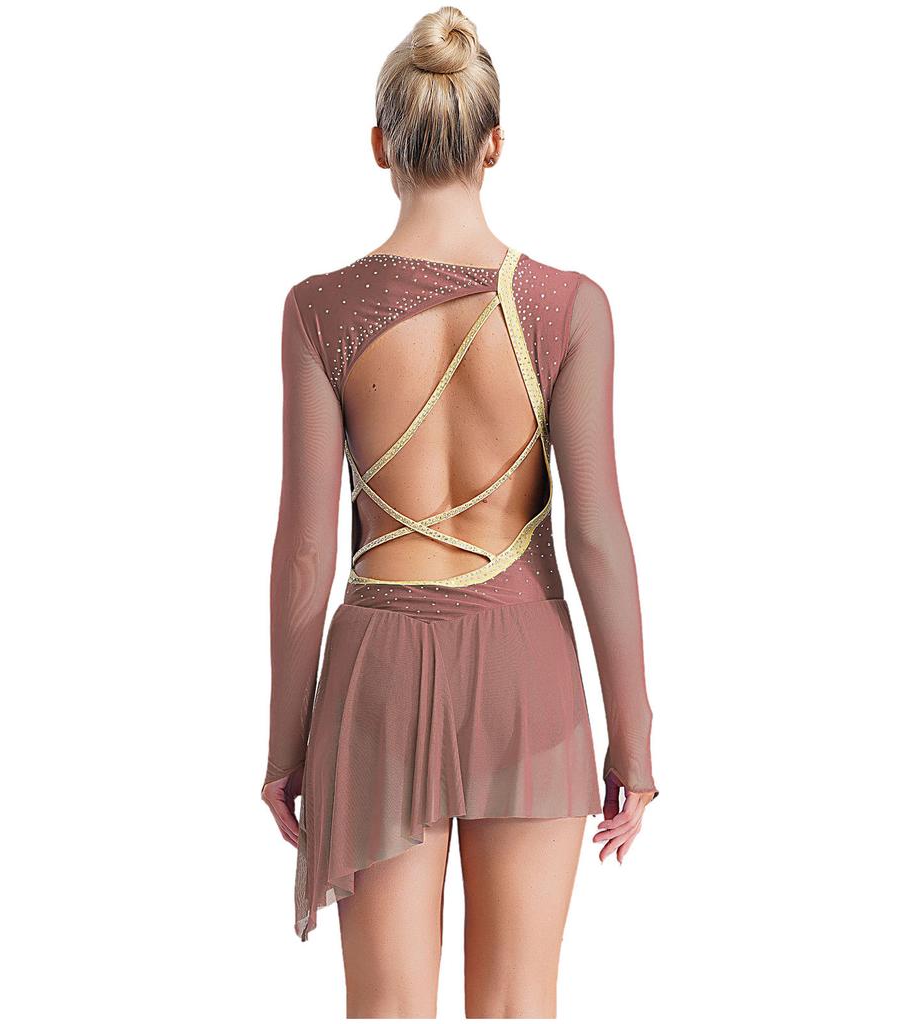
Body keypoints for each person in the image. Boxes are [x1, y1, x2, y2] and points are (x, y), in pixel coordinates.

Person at [262, 6, 657, 1017]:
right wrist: (634, 735)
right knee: (519, 1005)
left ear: (380, 145)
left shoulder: (319, 310)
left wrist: (284, 744)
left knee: (386, 1011)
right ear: (494, 145)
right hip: (526, 667)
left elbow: (306, 554)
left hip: (378, 671)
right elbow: (597, 536)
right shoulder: (568, 306)